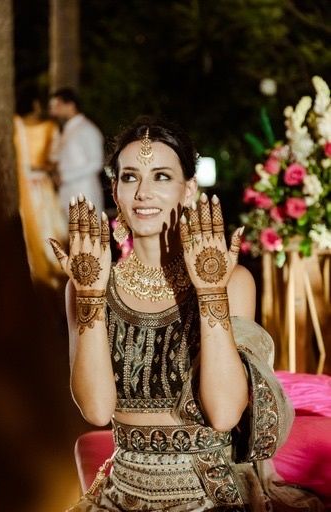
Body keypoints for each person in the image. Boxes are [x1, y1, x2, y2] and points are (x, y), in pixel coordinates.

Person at [49, 117, 324, 511]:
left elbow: (226, 412)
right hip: (122, 490)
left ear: (189, 188)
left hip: (209, 491)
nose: (143, 193)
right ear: (115, 189)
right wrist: (91, 295)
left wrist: (209, 292)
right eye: (129, 177)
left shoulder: (231, 280)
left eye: (161, 176)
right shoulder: (87, 282)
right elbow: (96, 410)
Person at [14, 86, 67, 287]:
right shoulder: (49, 127)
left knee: (29, 228)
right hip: (41, 184)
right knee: (47, 225)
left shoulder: (13, 125)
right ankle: (54, 274)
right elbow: (55, 158)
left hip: (22, 185)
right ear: (35, 104)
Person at [49, 88, 104, 216]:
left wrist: (65, 177)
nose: (53, 110)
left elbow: (96, 162)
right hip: (67, 194)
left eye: (57, 105)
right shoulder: (67, 130)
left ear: (71, 105)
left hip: (85, 193)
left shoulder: (87, 129)